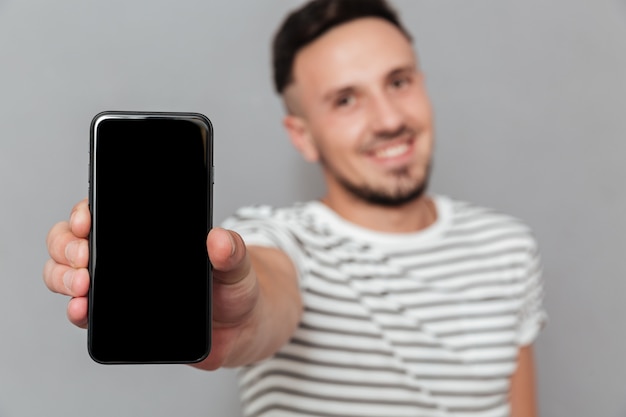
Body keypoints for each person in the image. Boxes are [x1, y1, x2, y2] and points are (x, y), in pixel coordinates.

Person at [43, 0, 547, 416]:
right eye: (346, 100)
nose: (390, 118)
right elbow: (266, 290)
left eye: (399, 81)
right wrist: (238, 309)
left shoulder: (509, 245)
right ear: (302, 135)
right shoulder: (280, 238)